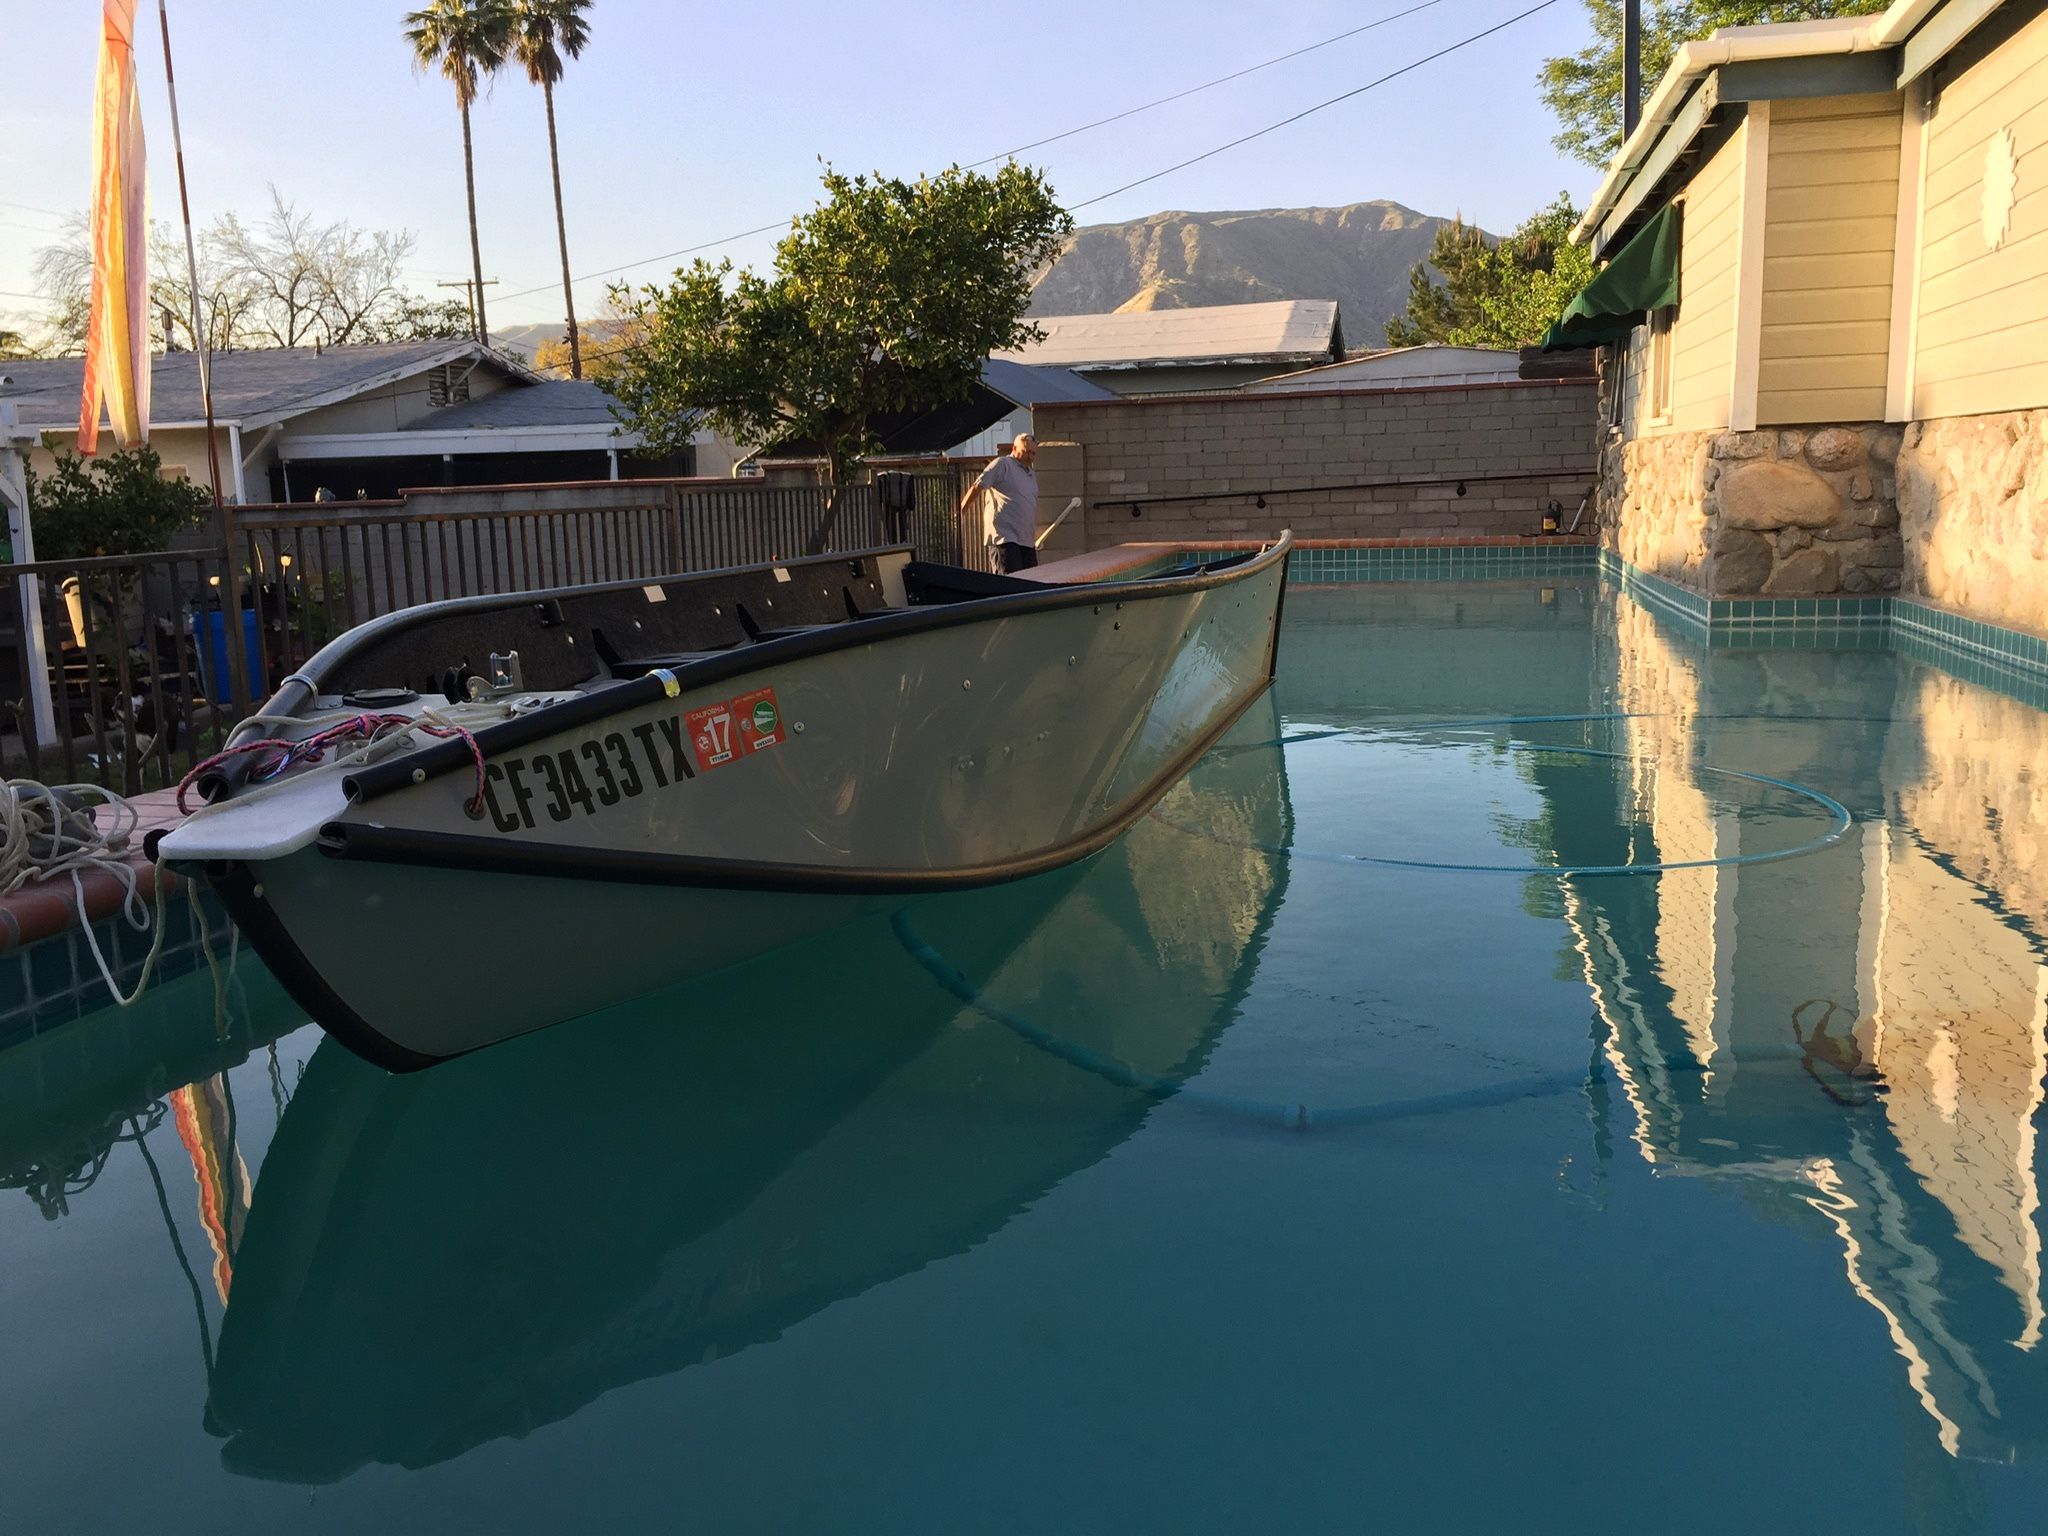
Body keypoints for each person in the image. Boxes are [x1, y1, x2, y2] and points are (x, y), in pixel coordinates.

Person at [962, 433, 1040, 573]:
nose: (1030, 457)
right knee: (1011, 584)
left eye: (1033, 453)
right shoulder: (1002, 464)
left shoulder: (1031, 474)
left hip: (1026, 541)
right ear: (1014, 448)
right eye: (1027, 452)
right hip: (1005, 539)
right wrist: (962, 509)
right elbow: (977, 485)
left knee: (1031, 586)